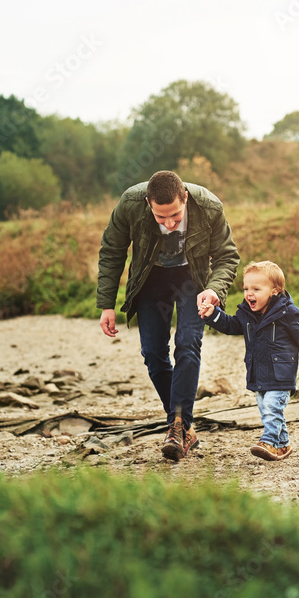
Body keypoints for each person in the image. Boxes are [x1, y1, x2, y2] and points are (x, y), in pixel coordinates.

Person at [97, 170, 240, 461]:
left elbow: (227, 256)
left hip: (193, 280)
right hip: (150, 279)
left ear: (184, 198)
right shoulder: (130, 204)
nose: (170, 223)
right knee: (153, 353)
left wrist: (214, 290)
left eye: (175, 215)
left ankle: (178, 426)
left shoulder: (209, 206)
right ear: (148, 203)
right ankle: (181, 425)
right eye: (161, 218)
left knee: (188, 344)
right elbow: (112, 251)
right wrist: (106, 303)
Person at [199, 260, 299, 461]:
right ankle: (283, 445)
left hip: (281, 375)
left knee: (273, 409)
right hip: (258, 374)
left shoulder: (287, 313)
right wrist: (213, 315)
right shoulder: (246, 314)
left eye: (256, 288)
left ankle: (269, 441)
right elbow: (230, 326)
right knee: (267, 412)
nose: (249, 294)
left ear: (274, 290)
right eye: (246, 288)